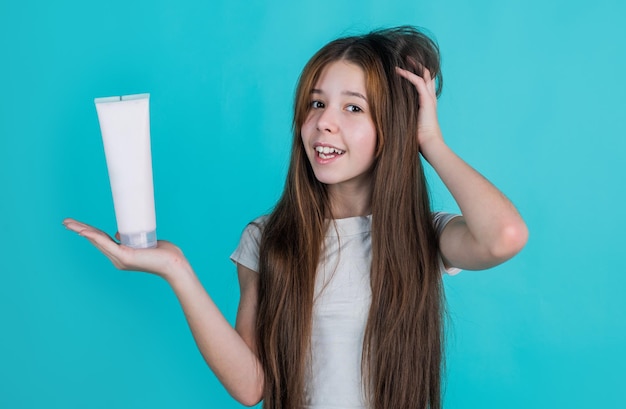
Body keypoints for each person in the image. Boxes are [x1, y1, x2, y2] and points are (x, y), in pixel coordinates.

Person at [64, 26, 528, 409]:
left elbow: (504, 236)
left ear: (393, 128)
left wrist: (430, 143)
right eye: (316, 103)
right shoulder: (268, 238)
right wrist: (176, 269)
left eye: (353, 107)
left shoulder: (422, 234)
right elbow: (252, 387)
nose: (325, 121)